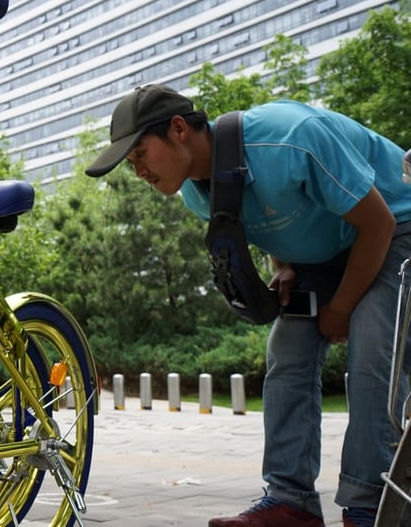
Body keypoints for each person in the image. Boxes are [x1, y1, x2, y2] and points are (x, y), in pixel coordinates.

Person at [85, 84, 411, 527]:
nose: (137, 170)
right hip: (328, 250)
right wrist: (285, 266)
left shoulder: (288, 139)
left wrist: (342, 307)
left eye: (140, 154)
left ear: (178, 129)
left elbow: (378, 223)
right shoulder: (196, 192)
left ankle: (370, 505)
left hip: (395, 225)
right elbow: (266, 221)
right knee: (288, 353)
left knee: (373, 347)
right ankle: (289, 501)